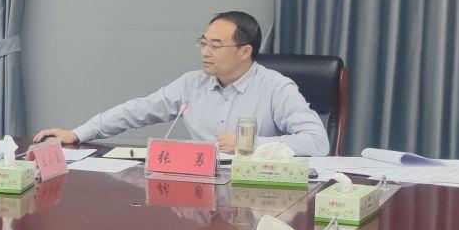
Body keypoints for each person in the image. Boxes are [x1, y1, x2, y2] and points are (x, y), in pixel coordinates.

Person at [32, 11, 330, 155]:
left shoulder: (276, 88)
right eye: (203, 42)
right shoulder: (192, 84)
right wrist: (77, 132)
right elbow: (137, 110)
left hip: (253, 197)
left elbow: (317, 142)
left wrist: (249, 145)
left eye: (215, 45)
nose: (205, 52)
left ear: (245, 52)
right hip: (199, 189)